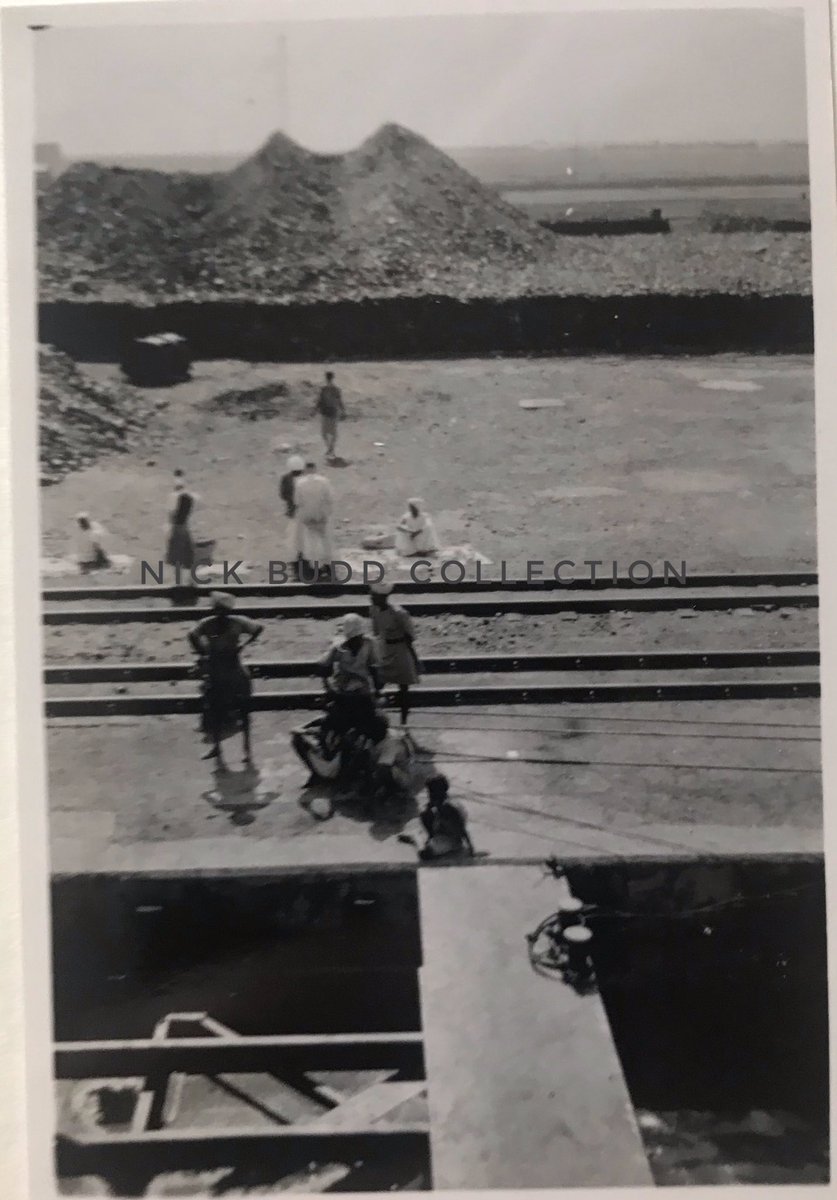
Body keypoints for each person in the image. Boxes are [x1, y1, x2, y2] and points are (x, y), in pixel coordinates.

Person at [188, 592, 263, 770]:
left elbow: (259, 628)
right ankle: (218, 748)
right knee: (213, 709)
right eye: (218, 610)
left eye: (223, 610)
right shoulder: (210, 623)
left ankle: (246, 749)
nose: (221, 613)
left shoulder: (234, 622)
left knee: (244, 709)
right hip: (219, 669)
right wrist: (202, 652)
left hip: (231, 667)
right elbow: (191, 635)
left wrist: (243, 645)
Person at [319, 614, 381, 739]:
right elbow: (323, 665)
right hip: (342, 689)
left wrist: (378, 689)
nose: (356, 641)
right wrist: (327, 687)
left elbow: (375, 667)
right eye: (352, 639)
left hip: (362, 689)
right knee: (337, 721)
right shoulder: (338, 646)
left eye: (358, 637)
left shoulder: (370, 644)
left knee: (372, 723)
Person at [369, 581, 420, 725]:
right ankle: (376, 719)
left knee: (403, 689)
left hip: (400, 651)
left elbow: (409, 637)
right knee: (377, 685)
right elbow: (376, 632)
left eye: (374, 595)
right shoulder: (373, 610)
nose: (371, 597)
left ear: (383, 597)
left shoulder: (399, 613)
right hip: (384, 649)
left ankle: (403, 723)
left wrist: (415, 659)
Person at [293, 460, 335, 580]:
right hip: (321, 514)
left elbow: (297, 501)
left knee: (311, 541)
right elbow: (330, 498)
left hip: (308, 514)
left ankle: (315, 566)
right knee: (325, 539)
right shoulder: (324, 481)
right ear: (315, 468)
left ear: (305, 470)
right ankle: (327, 564)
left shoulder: (300, 483)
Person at [418, 775, 473, 860]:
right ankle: (431, 840)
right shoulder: (441, 804)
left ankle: (420, 842)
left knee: (424, 853)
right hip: (444, 835)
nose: (429, 795)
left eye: (430, 792)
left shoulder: (448, 807)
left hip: (452, 840)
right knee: (425, 813)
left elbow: (461, 828)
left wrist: (470, 848)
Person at [165, 469, 196, 572]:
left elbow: (171, 513)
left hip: (178, 524)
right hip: (182, 524)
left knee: (178, 550)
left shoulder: (175, 496)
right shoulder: (187, 496)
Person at [315, 370, 346, 460]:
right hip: (330, 412)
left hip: (327, 412)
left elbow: (319, 401)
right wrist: (343, 411)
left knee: (326, 433)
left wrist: (314, 410)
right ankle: (330, 448)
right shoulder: (334, 389)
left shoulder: (326, 389)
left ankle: (330, 448)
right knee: (330, 433)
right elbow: (339, 401)